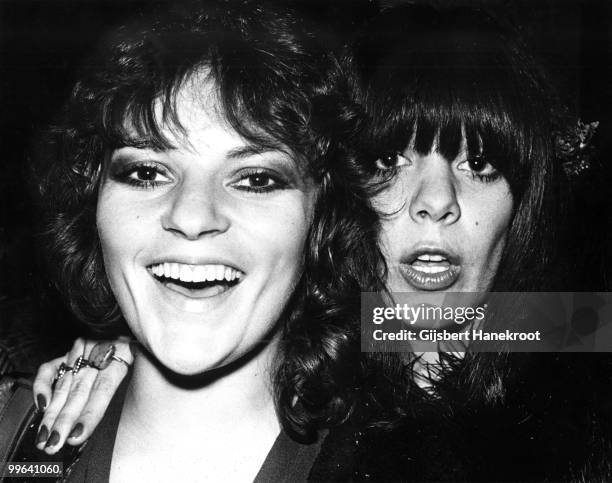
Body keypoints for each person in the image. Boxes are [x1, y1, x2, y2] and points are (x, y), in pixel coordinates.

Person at [28, 3, 612, 481]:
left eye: (480, 162)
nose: (436, 202)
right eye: (387, 160)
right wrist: (127, 343)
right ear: (335, 202)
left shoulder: (566, 355)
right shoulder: (318, 355)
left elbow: (575, 324)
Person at [2, 1, 389, 481]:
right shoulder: (11, 438)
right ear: (93, 203)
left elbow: (502, 323)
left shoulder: (418, 452)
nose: (191, 216)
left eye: (255, 179)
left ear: (322, 217)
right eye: (147, 171)